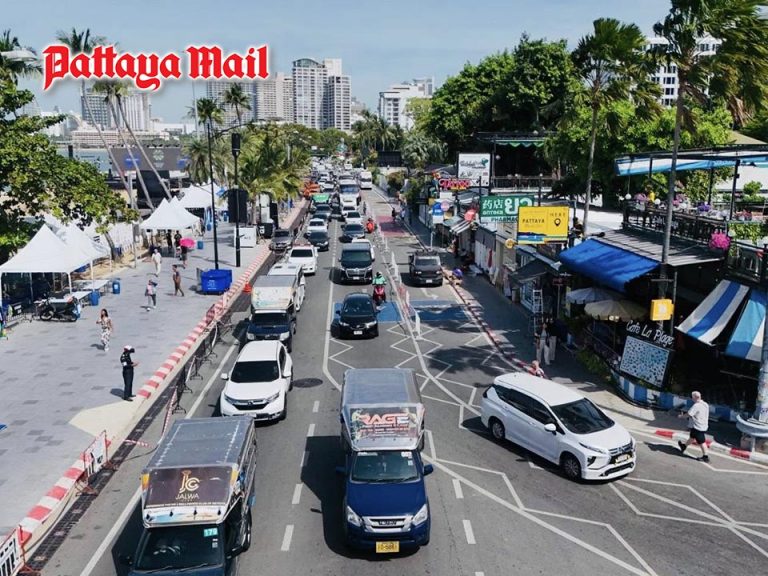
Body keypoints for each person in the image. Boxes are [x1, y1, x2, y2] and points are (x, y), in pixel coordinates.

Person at [678, 391, 710, 462]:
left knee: (702, 442)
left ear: (695, 397)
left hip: (698, 427)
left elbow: (689, 414)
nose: (692, 399)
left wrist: (681, 416)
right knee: (692, 437)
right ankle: (684, 446)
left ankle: (705, 457)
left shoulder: (696, 406)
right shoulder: (705, 404)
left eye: (692, 397)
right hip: (702, 425)